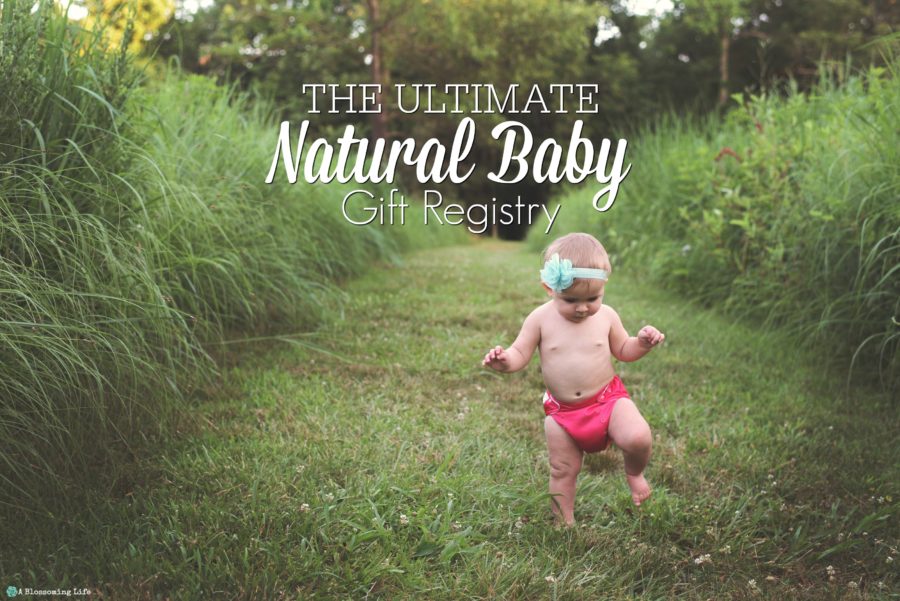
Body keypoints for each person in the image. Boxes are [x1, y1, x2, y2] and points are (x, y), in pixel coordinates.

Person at [482, 232, 664, 526]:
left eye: (593, 298)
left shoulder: (606, 316)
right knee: (562, 469)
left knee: (638, 436)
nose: (582, 308)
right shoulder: (539, 319)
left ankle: (634, 472)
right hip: (563, 413)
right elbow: (519, 352)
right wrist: (505, 361)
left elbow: (623, 349)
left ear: (604, 288)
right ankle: (563, 521)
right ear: (548, 287)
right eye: (570, 299)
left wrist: (642, 343)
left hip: (608, 400)